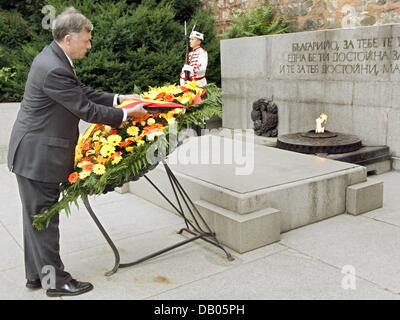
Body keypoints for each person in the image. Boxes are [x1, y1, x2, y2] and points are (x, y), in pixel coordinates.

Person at [7, 7, 147, 297]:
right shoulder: (54, 67)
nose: (90, 44)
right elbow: (86, 109)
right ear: (69, 38)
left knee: (36, 217)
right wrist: (126, 115)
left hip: (34, 152)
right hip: (38, 157)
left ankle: (37, 276)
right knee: (44, 219)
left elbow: (81, 91)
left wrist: (120, 98)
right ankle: (55, 282)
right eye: (86, 39)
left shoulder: (55, 58)